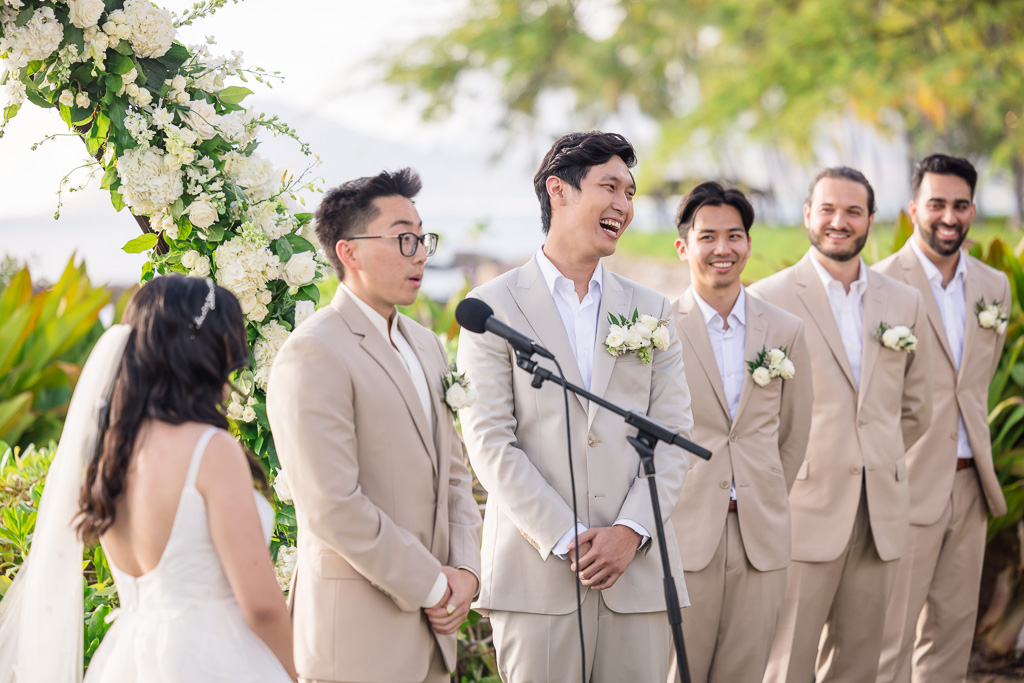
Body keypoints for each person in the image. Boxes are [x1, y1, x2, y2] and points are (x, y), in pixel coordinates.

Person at [456, 131, 694, 682]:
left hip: (636, 577)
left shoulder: (652, 309)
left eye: (630, 193)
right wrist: (568, 538)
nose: (624, 206)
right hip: (535, 579)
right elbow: (489, 440)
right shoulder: (490, 307)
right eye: (609, 187)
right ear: (557, 191)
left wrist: (630, 531)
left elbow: (675, 432)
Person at [0, 274, 297, 682]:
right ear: (202, 352)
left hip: (130, 659)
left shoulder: (109, 452)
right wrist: (300, 673)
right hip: (215, 660)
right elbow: (261, 605)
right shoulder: (211, 449)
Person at [266, 168, 482, 683]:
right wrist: (433, 585)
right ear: (349, 252)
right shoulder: (313, 352)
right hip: (358, 640)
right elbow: (332, 505)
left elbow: (454, 474)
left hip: (437, 632)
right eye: (404, 238)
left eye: (423, 238)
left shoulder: (427, 344)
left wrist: (467, 573)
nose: (421, 254)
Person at [749, 167, 933, 683]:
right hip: (801, 511)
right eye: (828, 209)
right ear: (808, 215)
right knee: (786, 664)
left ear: (871, 220)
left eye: (853, 211)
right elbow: (754, 416)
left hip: (880, 515)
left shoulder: (903, 302)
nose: (839, 221)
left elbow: (917, 407)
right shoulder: (767, 299)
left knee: (860, 665)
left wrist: (879, 456)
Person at [668, 182, 813, 683]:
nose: (723, 249)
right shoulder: (658, 328)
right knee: (676, 672)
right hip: (684, 533)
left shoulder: (785, 330)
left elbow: (793, 434)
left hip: (761, 534)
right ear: (684, 246)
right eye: (708, 237)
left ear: (749, 244)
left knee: (746, 674)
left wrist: (763, 492)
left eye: (735, 236)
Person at [874, 154, 1011, 683]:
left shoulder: (994, 286)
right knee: (890, 635)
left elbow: (974, 381)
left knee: (953, 633)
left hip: (971, 485)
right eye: (936, 204)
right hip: (905, 483)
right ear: (913, 209)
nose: (948, 216)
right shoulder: (882, 284)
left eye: (959, 205)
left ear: (973, 209)